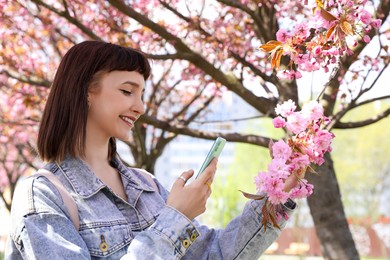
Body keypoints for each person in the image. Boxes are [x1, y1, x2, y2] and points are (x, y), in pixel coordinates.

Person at [5, 41, 297, 260]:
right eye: (127, 91)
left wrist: (275, 198)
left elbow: (215, 254)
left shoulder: (146, 186)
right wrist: (175, 217)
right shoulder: (42, 195)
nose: (140, 107)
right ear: (85, 91)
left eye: (142, 94)